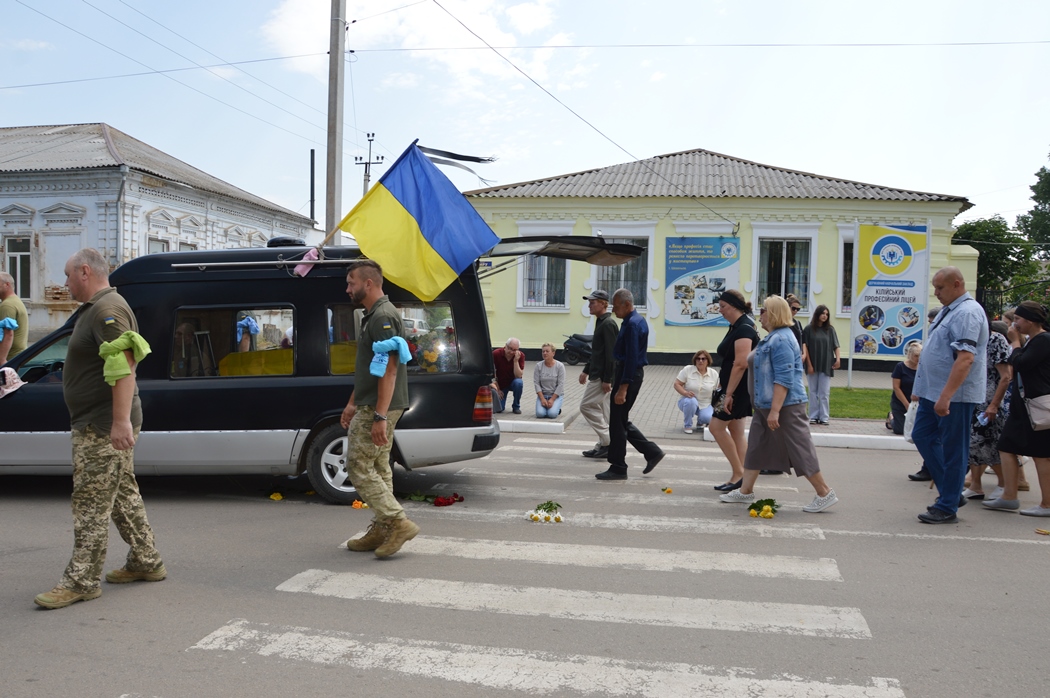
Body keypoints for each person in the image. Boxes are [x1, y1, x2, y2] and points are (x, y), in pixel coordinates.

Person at [34, 249, 165, 609]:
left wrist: (120, 422)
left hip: (101, 425)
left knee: (90, 504)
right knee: (122, 495)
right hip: (104, 421)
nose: (64, 283)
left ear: (85, 272)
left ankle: (81, 581)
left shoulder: (107, 311)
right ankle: (146, 560)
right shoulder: (99, 309)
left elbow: (123, 366)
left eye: (67, 275)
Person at [718, 296, 838, 512]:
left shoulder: (782, 339)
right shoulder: (773, 337)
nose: (760, 314)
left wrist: (775, 410)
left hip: (785, 407)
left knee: (800, 448)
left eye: (763, 310)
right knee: (755, 447)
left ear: (773, 313)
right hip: (765, 405)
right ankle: (745, 491)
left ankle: (824, 492)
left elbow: (784, 377)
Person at [340, 260, 419, 557]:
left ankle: (397, 522)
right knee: (377, 466)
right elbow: (370, 369)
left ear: (368, 284)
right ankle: (385, 529)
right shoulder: (374, 315)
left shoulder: (382, 317)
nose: (348, 289)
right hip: (372, 401)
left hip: (380, 405)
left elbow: (389, 371)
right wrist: (351, 403)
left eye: (351, 283)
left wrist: (379, 417)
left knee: (358, 466)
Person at [910, 266, 988, 524]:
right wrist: (921, 389)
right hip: (933, 392)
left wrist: (946, 396)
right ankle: (952, 493)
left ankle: (947, 506)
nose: (936, 293)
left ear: (957, 284)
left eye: (940, 288)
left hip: (955, 396)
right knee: (921, 435)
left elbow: (965, 359)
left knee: (954, 449)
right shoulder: (949, 310)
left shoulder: (968, 313)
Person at [984, 301, 1050, 516]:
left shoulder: (1043, 340)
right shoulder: (1035, 340)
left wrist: (1014, 342)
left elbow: (1020, 363)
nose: (1014, 324)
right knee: (1006, 445)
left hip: (1037, 406)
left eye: (1017, 320)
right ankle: (1009, 497)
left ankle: (1047, 504)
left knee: (1042, 454)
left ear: (1030, 321)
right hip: (1025, 406)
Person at [595, 288, 664, 480]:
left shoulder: (633, 324)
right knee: (619, 420)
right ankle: (651, 452)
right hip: (628, 373)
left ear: (627, 304)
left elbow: (632, 357)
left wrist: (623, 388)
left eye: (616, 307)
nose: (614, 310)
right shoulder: (633, 321)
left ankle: (618, 467)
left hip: (629, 374)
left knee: (617, 422)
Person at [709, 289, 759, 491]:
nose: (720, 310)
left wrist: (728, 394)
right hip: (733, 387)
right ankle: (744, 477)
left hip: (736, 390)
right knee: (736, 431)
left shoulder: (744, 328)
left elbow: (741, 363)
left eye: (723, 306)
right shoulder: (737, 326)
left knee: (716, 427)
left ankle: (739, 474)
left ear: (735, 307)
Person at [962, 319, 1012, 500]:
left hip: (990, 401)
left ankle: (1003, 482)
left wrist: (994, 404)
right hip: (971, 398)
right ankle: (976, 485)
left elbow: (1006, 377)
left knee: (990, 442)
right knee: (972, 444)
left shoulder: (996, 340)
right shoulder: (967, 340)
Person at [578, 290, 617, 459]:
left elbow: (611, 355)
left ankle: (608, 441)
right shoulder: (601, 322)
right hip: (597, 373)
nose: (589, 305)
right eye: (589, 302)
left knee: (586, 406)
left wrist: (607, 379)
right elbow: (597, 352)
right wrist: (586, 370)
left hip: (602, 377)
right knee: (605, 412)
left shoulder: (608, 324)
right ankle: (603, 445)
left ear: (603, 303)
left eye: (592, 302)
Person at [802, 304, 840, 425]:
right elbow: (805, 347)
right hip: (812, 364)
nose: (824, 316)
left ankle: (824, 416)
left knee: (824, 392)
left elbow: (836, 346)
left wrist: (838, 359)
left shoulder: (830, 330)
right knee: (812, 391)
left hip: (826, 364)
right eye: (823, 313)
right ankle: (813, 416)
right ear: (817, 314)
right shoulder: (808, 329)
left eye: (827, 314)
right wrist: (809, 365)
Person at [673, 350, 719, 433]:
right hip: (688, 400)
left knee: (708, 418)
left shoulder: (714, 373)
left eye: (703, 359)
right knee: (691, 402)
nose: (700, 361)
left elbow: (718, 389)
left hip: (705, 403)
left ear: (708, 361)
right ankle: (687, 425)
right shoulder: (688, 370)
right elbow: (677, 384)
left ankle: (700, 422)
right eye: (698, 359)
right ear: (695, 360)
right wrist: (685, 393)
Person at [891, 342, 922, 434]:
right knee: (900, 430)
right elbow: (896, 388)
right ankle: (891, 418)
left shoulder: (922, 368)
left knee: (917, 429)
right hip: (900, 401)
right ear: (910, 355)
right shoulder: (900, 367)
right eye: (916, 356)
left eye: (920, 356)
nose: (918, 358)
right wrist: (906, 404)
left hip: (916, 402)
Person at [0, 271, 29, 364]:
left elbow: (8, 333)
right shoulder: (15, 300)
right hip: (18, 357)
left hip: (11, 358)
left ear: (7, 284)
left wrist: (2, 360)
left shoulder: (7, 305)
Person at [491, 337, 524, 414]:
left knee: (519, 383)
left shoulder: (520, 356)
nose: (512, 352)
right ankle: (501, 402)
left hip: (513, 382)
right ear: (505, 346)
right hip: (500, 384)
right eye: (510, 348)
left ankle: (516, 406)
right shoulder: (496, 354)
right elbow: (492, 374)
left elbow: (518, 375)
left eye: (515, 350)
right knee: (499, 409)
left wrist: (516, 361)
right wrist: (497, 389)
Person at [533, 343, 565, 418]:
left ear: (553, 353)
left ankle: (556, 408)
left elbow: (561, 384)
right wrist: (542, 398)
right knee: (540, 414)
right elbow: (536, 383)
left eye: (547, 351)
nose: (545, 353)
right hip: (543, 395)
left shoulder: (560, 366)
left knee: (552, 415)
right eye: (543, 351)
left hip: (555, 396)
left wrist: (552, 399)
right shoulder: (538, 366)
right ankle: (547, 407)